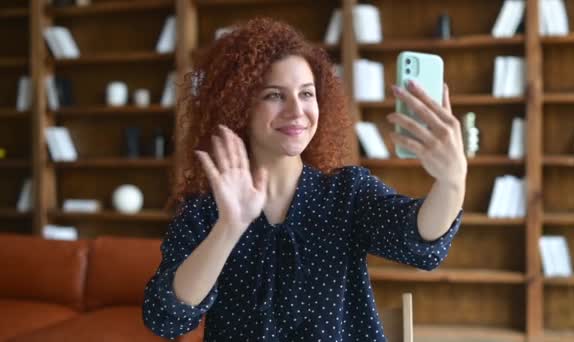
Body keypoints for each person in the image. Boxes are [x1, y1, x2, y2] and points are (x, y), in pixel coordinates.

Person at [143, 17, 466, 341]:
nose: (297, 111)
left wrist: (453, 181)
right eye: (274, 95)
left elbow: (419, 241)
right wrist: (228, 228)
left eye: (307, 94)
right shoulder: (204, 210)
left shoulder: (347, 192)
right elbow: (166, 318)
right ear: (238, 106)